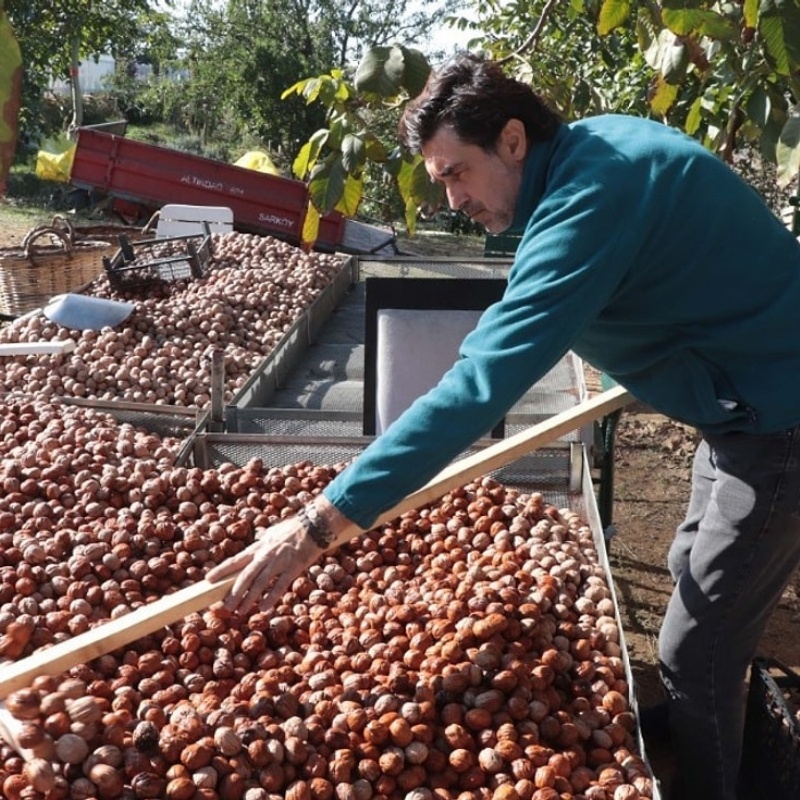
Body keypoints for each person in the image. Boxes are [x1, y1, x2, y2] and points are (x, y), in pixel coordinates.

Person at [207, 53, 800, 800]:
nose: (451, 200)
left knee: (696, 647)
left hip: (779, 422)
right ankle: (692, 735)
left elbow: (478, 387)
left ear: (513, 141)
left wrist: (320, 523)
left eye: (456, 173)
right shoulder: (593, 149)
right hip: (735, 406)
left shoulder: (591, 200)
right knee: (691, 571)